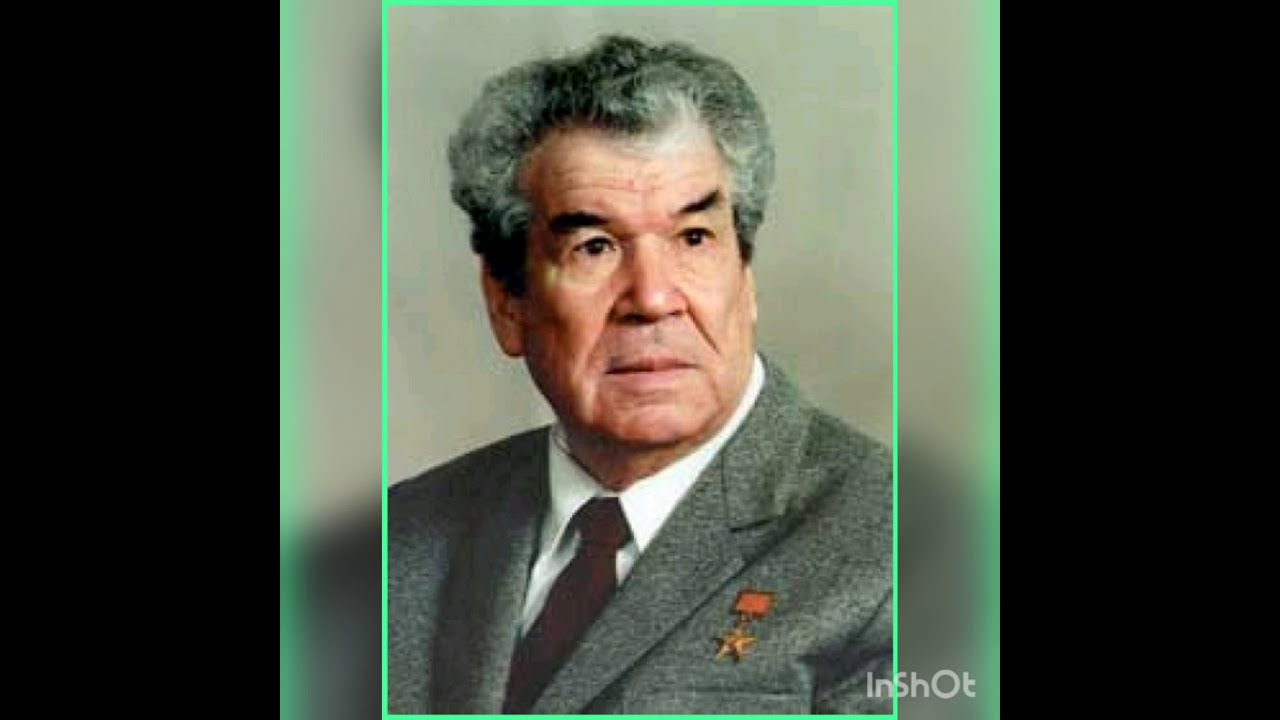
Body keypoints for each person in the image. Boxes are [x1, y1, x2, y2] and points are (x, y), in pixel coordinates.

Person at [389, 34, 892, 714]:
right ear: (507, 303)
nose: (652, 298)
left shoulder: (914, 554)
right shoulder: (395, 545)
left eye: (693, 238)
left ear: (745, 279)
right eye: (594, 246)